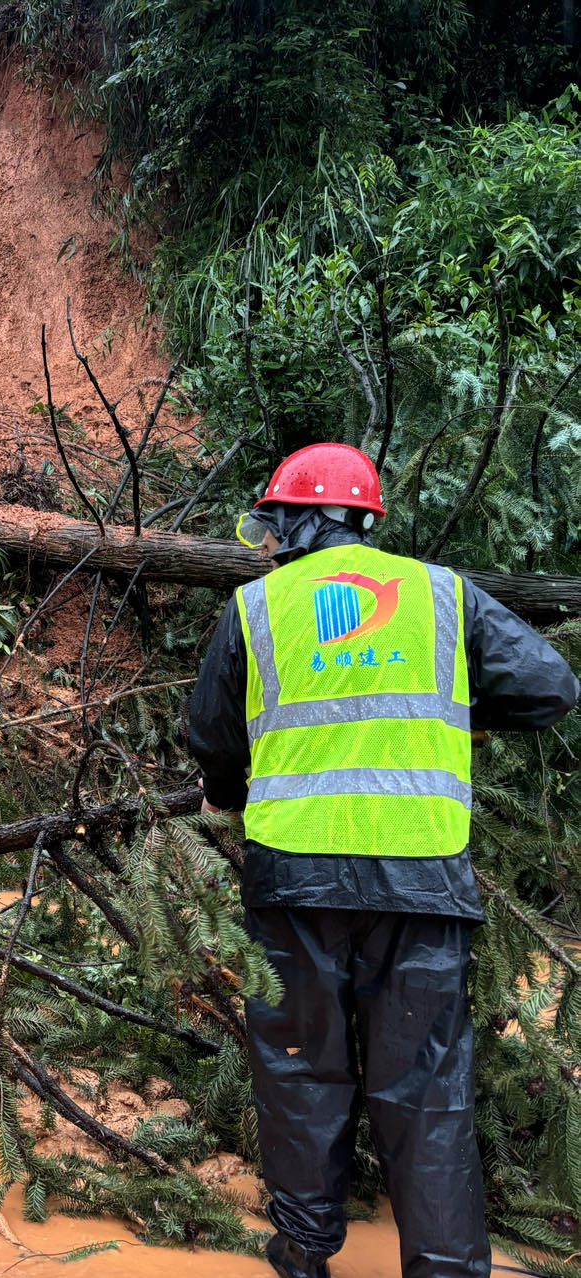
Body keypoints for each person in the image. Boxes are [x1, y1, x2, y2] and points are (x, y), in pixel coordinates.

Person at [188, 443, 579, 1278]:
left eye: (274, 523)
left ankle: (302, 1254)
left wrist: (224, 791)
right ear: (367, 521)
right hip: (422, 878)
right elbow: (550, 688)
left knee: (301, 1073)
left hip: (294, 877)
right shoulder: (444, 594)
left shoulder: (254, 608)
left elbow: (212, 737)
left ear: (295, 520)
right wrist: (459, 715)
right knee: (429, 1095)